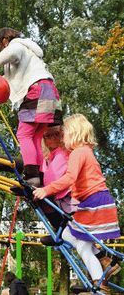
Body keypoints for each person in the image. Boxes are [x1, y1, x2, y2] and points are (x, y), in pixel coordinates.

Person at [33, 114, 121, 291]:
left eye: (64, 134)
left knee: (81, 246)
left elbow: (70, 178)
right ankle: (105, 262)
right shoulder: (86, 151)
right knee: (69, 235)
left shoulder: (77, 153)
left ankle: (100, 283)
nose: (62, 138)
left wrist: (46, 190)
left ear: (73, 134)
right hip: (97, 201)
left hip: (93, 203)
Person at [0, 28, 62, 187]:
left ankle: (31, 176)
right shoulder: (30, 56)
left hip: (37, 90)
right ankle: (41, 177)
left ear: (4, 41)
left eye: (0, 49)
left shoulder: (17, 45)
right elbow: (8, 82)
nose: (1, 52)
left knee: (24, 135)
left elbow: (11, 53)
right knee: (36, 136)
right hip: (49, 92)